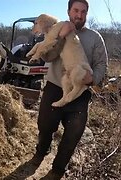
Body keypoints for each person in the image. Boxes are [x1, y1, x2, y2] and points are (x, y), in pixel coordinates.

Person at [32, 0, 108, 179]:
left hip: (80, 92)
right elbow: (48, 57)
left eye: (83, 11)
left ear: (86, 14)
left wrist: (93, 78)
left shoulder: (95, 37)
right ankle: (41, 151)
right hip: (54, 86)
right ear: (68, 11)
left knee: (74, 132)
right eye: (75, 10)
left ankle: (58, 168)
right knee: (45, 125)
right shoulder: (58, 28)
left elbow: (101, 64)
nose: (79, 15)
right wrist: (60, 37)